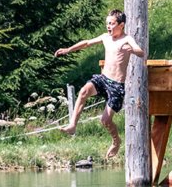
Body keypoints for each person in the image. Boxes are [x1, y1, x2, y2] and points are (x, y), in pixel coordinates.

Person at [54, 9, 145, 159]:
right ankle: (72, 125)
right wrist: (68, 49)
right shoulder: (105, 37)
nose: (108, 26)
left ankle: (116, 141)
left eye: (112, 23)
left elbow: (141, 52)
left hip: (117, 86)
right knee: (83, 91)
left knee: (106, 120)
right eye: (107, 23)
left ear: (121, 25)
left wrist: (133, 50)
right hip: (103, 79)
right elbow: (87, 43)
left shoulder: (126, 39)